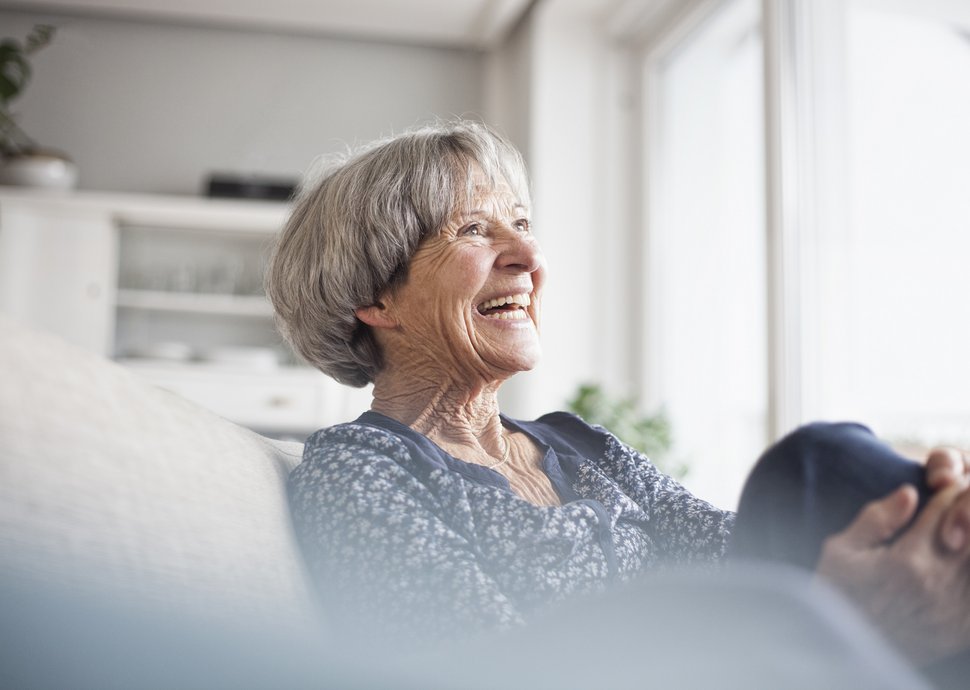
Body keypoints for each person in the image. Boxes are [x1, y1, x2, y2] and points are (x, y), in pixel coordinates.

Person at [266, 119, 970, 671]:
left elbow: (743, 549)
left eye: (523, 224)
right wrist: (835, 620)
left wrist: (912, 510)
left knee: (819, 467)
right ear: (374, 299)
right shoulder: (360, 470)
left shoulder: (575, 442)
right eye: (474, 230)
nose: (529, 257)